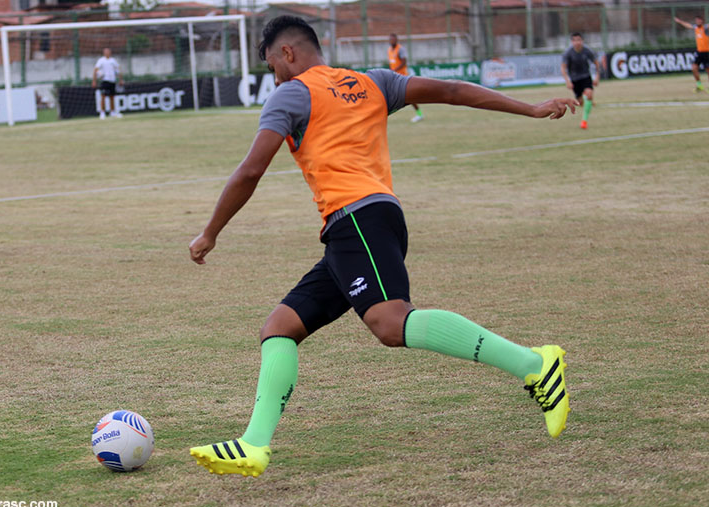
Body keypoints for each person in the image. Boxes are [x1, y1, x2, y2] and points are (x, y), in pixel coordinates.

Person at [188, 15, 576, 478]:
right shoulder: (373, 82)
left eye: (273, 64)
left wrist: (210, 231)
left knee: (390, 323)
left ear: (287, 53)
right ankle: (253, 444)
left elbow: (251, 170)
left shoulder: (291, 94)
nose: (274, 76)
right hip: (363, 224)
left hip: (358, 220)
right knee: (280, 326)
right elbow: (452, 90)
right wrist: (528, 109)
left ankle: (535, 364)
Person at [561, 32, 600, 130]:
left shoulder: (587, 51)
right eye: (574, 40)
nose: (577, 42)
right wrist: (567, 81)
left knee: (589, 94)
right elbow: (563, 68)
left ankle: (584, 121)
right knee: (580, 102)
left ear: (582, 41)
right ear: (572, 42)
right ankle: (587, 101)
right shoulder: (568, 53)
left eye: (579, 40)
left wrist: (597, 77)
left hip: (586, 77)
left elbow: (596, 63)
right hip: (575, 79)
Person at [388, 33, 423, 122]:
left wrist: (395, 69)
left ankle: (419, 114)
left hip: (402, 77)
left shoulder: (400, 49)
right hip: (393, 77)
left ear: (396, 40)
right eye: (390, 39)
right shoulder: (389, 50)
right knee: (389, 95)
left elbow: (404, 62)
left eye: (393, 39)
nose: (392, 41)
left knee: (409, 97)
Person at [674, 15, 709, 93]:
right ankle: (699, 85)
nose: (697, 22)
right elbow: (688, 25)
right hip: (699, 52)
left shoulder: (705, 28)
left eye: (699, 20)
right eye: (696, 20)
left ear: (702, 21)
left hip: (707, 52)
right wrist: (679, 21)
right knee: (694, 68)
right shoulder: (696, 28)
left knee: (707, 70)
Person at [92, 48, 123, 119]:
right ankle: (102, 113)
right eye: (106, 52)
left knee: (112, 97)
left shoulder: (113, 61)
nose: (107, 53)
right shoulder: (101, 60)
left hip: (112, 80)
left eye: (108, 52)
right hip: (105, 80)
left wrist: (121, 79)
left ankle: (112, 112)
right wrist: (94, 80)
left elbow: (118, 70)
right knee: (103, 96)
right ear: (104, 53)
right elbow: (95, 70)